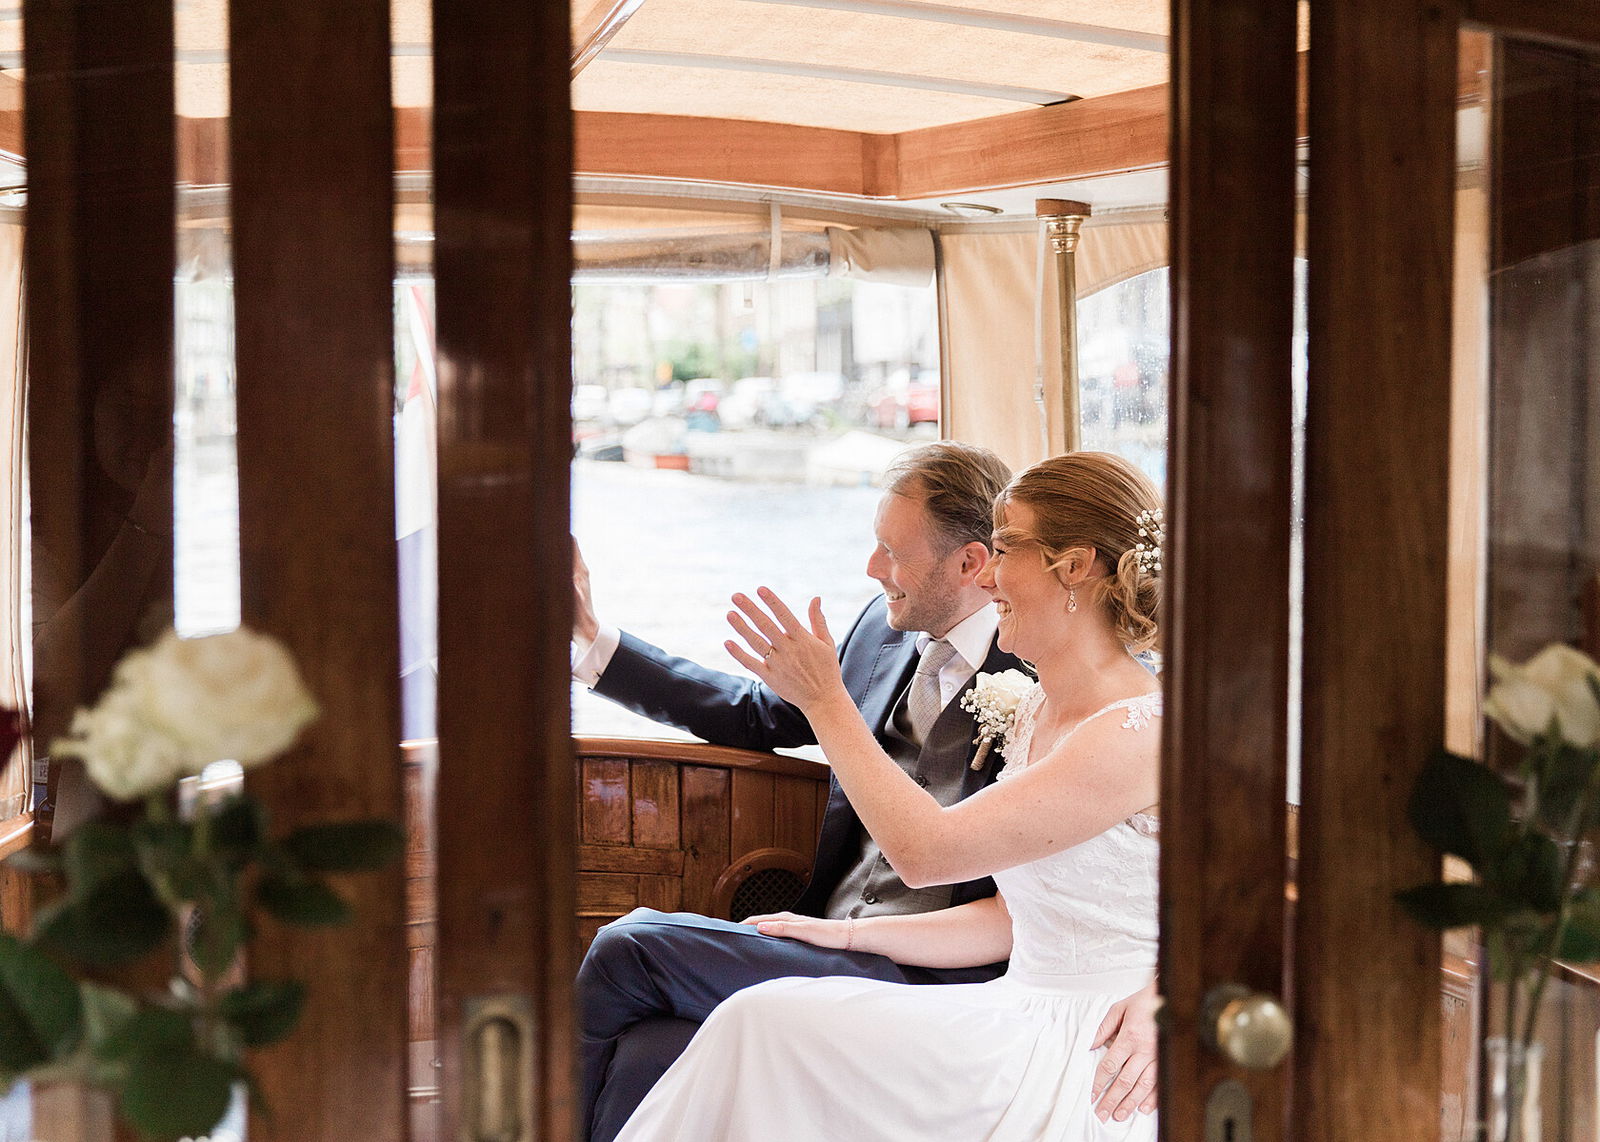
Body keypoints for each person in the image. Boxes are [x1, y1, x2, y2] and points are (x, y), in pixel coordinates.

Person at [613, 450, 1164, 1142]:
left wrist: (824, 700)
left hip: (1087, 1045)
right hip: (1016, 1003)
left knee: (763, 1028)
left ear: (1074, 566)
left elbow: (926, 854)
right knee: (757, 1021)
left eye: (1002, 551)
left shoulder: (1138, 732)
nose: (987, 577)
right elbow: (1016, 920)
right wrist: (840, 931)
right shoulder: (1038, 710)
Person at [572, 441, 1028, 1140]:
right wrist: (595, 642)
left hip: (937, 982)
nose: (871, 569)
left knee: (629, 946)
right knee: (648, 1047)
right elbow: (762, 714)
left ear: (971, 562)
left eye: (890, 551)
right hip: (826, 941)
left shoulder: (1041, 667)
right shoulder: (881, 628)